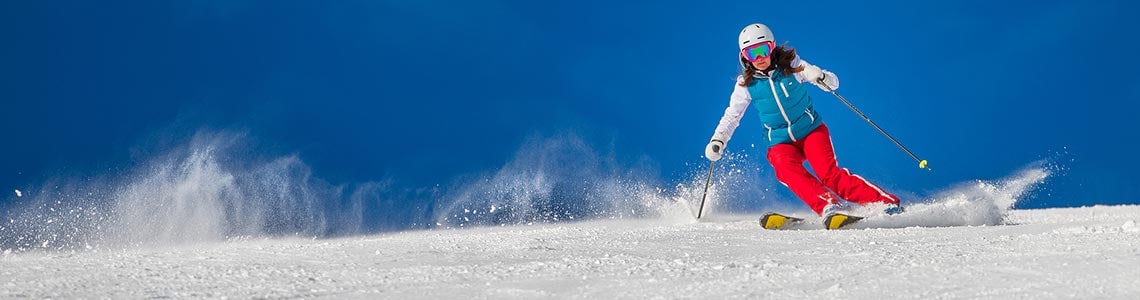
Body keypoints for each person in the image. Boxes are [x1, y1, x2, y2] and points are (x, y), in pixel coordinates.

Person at [705, 23, 902, 217]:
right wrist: (719, 138)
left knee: (829, 174)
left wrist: (822, 76)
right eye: (751, 53)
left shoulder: (791, 65)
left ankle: (885, 203)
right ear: (743, 57)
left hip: (810, 131)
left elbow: (833, 83)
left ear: (772, 47)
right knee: (785, 169)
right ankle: (830, 206)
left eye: (763, 50)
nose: (759, 58)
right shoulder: (746, 84)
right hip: (780, 141)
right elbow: (733, 115)